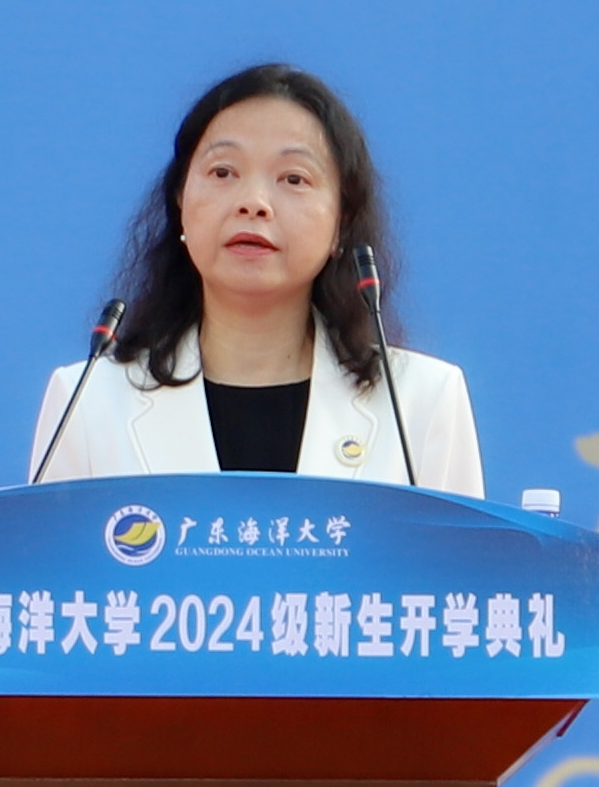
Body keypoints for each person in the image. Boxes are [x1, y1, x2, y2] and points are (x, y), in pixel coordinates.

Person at [29, 63, 484, 498]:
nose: (254, 202)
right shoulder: (89, 403)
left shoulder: (420, 402)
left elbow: (460, 558)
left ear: (341, 223)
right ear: (180, 200)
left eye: (293, 178)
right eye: (223, 172)